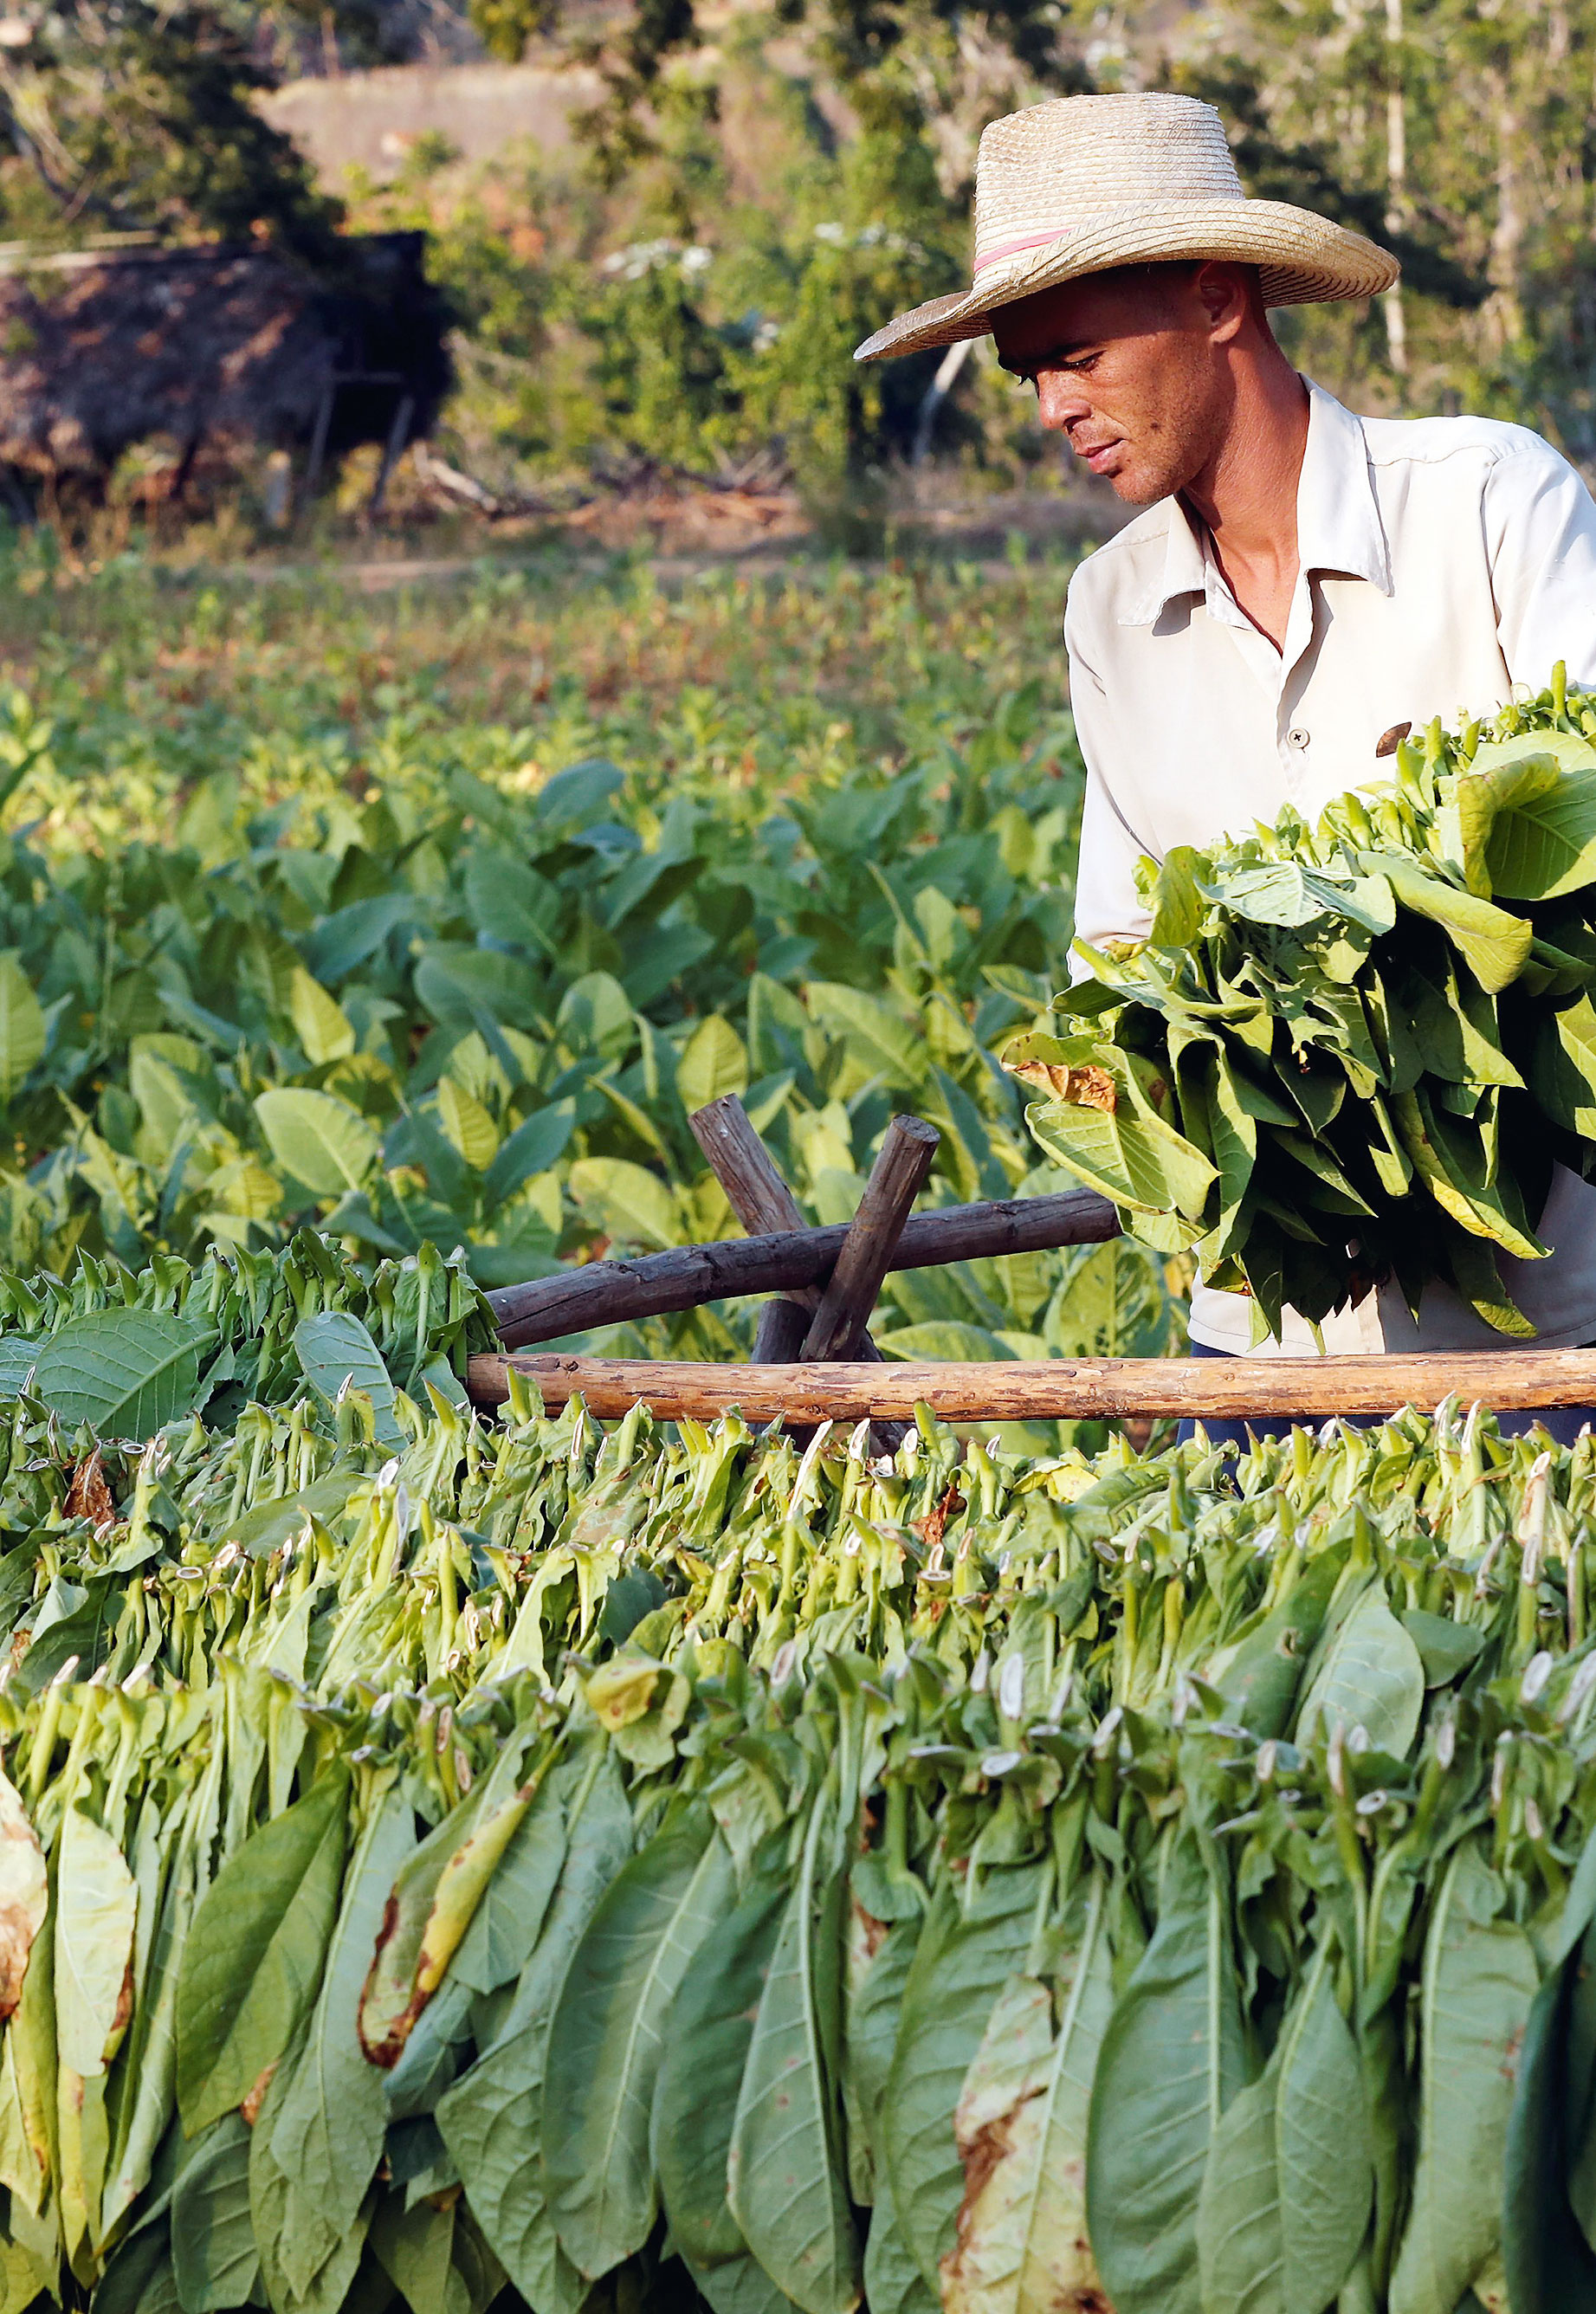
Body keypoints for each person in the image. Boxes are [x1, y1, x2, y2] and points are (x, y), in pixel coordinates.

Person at [855, 89, 1596, 1445]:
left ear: (1215, 299)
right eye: (1029, 372)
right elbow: (1120, 955)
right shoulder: (1109, 607)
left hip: (1543, 1334)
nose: (1052, 407)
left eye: (1079, 355)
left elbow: (1578, 870)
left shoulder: (1490, 502)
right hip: (1262, 1340)